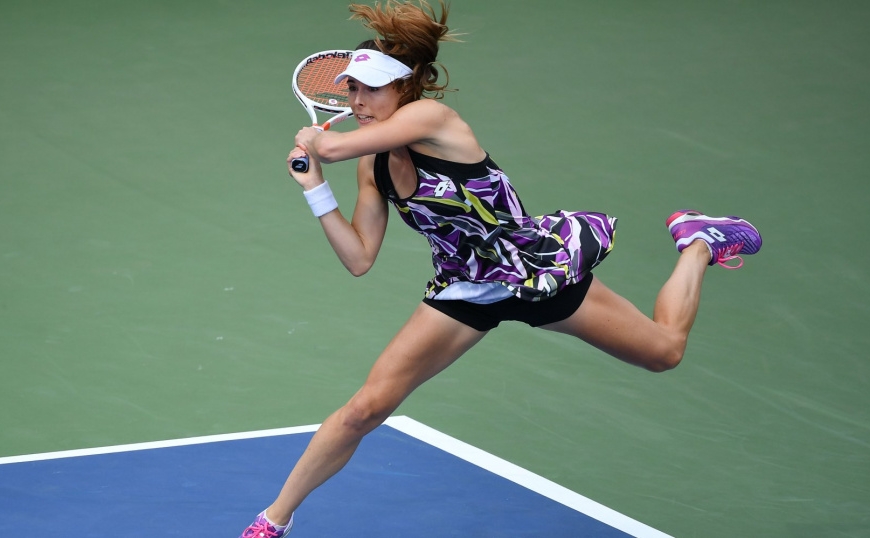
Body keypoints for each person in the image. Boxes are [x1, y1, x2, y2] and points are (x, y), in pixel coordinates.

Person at [241, 1, 761, 536]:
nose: (358, 100)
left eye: (372, 88)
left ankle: (698, 242)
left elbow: (329, 142)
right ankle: (273, 521)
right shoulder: (373, 167)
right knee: (365, 409)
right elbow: (358, 259)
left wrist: (314, 143)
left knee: (664, 353)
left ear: (408, 85)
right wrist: (315, 189)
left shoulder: (430, 119)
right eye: (352, 89)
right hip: (463, 289)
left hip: (533, 273)